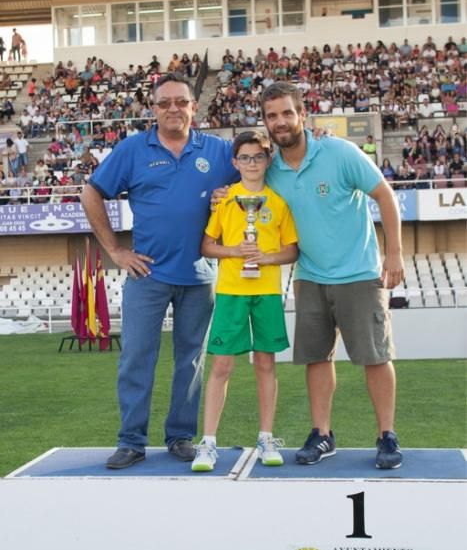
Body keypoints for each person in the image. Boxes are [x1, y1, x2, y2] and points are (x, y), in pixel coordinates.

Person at [213, 82, 404, 469]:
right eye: (272, 116)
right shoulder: (272, 171)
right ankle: (322, 434)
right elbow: (244, 185)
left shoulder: (339, 152)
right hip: (309, 276)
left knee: (375, 357)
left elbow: (383, 194)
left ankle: (386, 435)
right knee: (317, 358)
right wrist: (222, 195)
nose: (280, 122)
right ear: (265, 123)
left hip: (358, 273)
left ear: (302, 114)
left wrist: (396, 253)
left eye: (287, 113)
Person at [80, 73, 239, 470]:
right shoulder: (133, 149)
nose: (173, 109)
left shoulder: (218, 151)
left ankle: (180, 437)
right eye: (164, 102)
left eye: (180, 102)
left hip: (200, 276)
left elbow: (255, 183)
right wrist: (116, 250)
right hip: (146, 276)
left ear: (192, 107)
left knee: (191, 361)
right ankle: (131, 441)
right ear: (153, 109)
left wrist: (231, 195)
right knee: (137, 358)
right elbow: (90, 192)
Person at [191, 131, 298, 472]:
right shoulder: (225, 201)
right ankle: (207, 442)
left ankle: (266, 436)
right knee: (222, 365)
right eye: (245, 158)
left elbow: (292, 250)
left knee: (266, 364)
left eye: (259, 157)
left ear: (268, 161)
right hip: (231, 292)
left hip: (266, 292)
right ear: (235, 163)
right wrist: (234, 251)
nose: (252, 163)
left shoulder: (278, 203)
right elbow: (207, 246)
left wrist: (265, 259)